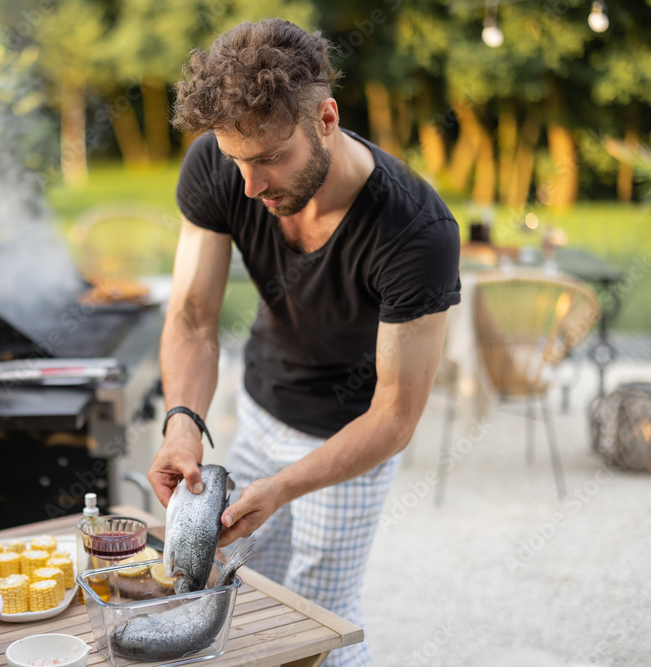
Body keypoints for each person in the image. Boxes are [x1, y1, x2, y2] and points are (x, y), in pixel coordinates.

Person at [147, 18, 461, 667]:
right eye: (237, 161)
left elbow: (396, 416)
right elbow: (194, 317)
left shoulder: (415, 232)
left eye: (268, 159)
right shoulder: (219, 163)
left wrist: (285, 485)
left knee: (322, 621)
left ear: (326, 117)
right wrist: (182, 422)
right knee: (245, 602)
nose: (251, 186)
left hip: (351, 438)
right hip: (263, 405)